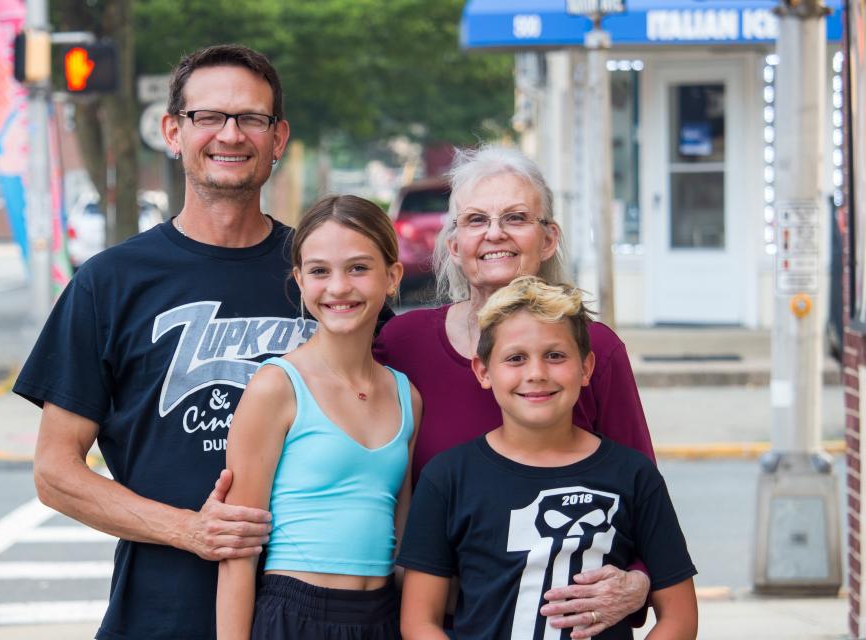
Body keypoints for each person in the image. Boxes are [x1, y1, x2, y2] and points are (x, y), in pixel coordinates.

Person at [14, 44, 301, 640]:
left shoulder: (326, 276)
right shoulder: (111, 282)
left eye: (252, 118)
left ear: (278, 139)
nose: (231, 134)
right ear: (173, 131)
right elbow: (56, 471)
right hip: (163, 614)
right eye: (208, 117)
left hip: (319, 608)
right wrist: (191, 530)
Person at [373, 144, 655, 635]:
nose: (495, 233)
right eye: (476, 219)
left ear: (548, 239)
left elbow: (643, 499)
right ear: (454, 243)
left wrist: (637, 583)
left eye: (516, 217)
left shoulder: (595, 352)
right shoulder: (401, 345)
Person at [397, 276, 698, 639]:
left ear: (586, 368)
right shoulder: (447, 478)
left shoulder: (634, 476)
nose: (536, 374)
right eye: (515, 358)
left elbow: (679, 616)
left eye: (555, 356)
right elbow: (418, 621)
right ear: (483, 371)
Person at [216, 195, 421, 639]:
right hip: (296, 614)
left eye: (358, 268)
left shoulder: (407, 396)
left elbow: (402, 538)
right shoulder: (278, 386)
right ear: (300, 280)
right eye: (320, 271)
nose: (338, 287)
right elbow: (238, 550)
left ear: (392, 276)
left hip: (381, 616)